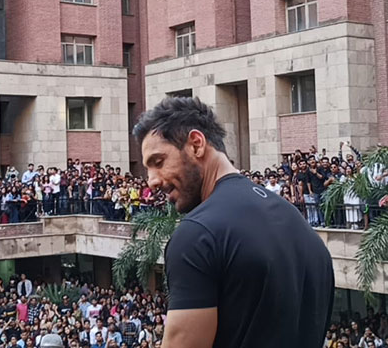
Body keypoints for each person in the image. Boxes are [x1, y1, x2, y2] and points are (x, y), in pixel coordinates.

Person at [133, 97, 334, 348]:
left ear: (196, 144)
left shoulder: (198, 234)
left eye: (158, 162)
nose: (151, 181)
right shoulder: (302, 228)